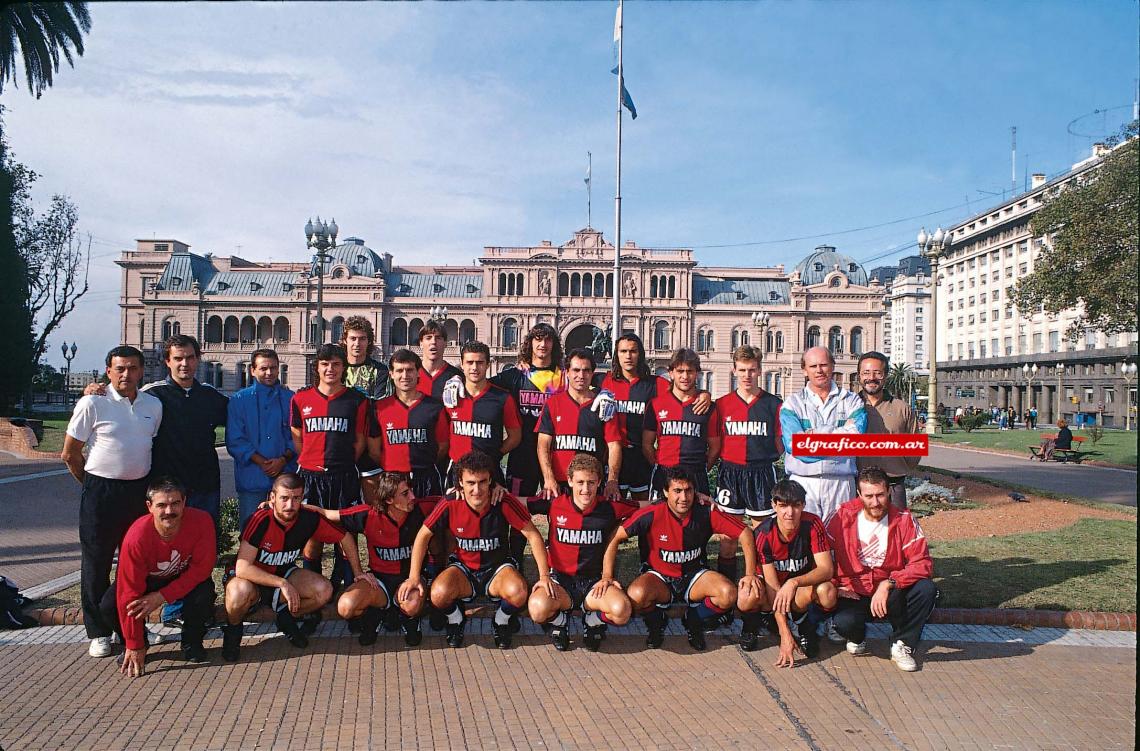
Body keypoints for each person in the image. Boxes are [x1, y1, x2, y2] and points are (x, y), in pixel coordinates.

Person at [63, 346, 163, 658]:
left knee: (134, 565)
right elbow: (70, 453)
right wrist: (91, 486)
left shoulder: (153, 405)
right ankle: (99, 632)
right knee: (97, 562)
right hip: (100, 491)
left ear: (142, 371)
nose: (126, 374)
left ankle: (131, 625)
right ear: (108, 371)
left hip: (137, 492)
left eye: (132, 368)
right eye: (119, 368)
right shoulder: (93, 402)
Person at [399, 451, 553, 649]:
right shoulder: (450, 502)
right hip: (464, 569)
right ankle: (456, 619)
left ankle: (501, 621)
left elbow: (533, 535)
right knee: (438, 594)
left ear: (491, 481)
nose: (477, 489)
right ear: (460, 483)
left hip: (497, 569)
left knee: (519, 591)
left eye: (482, 482)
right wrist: (413, 577)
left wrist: (544, 576)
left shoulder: (502, 501)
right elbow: (422, 535)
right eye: (471, 482)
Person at [598, 468, 759, 651]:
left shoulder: (705, 511)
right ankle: (657, 623)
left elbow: (745, 532)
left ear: (694, 491)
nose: (684, 497)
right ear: (666, 492)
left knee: (728, 593)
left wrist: (750, 574)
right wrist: (607, 576)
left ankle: (694, 619)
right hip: (659, 577)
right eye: (677, 491)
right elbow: (615, 536)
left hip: (693, 575)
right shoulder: (652, 512)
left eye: (688, 490)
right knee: (636, 595)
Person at [221, 472, 365, 661]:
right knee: (239, 591)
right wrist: (282, 584)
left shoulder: (307, 518)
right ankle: (233, 633)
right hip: (250, 579)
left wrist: (358, 574)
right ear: (272, 498)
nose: (290, 505)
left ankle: (285, 616)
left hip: (283, 572)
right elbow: (242, 568)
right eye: (284, 498)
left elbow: (344, 537)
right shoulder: (260, 519)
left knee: (324, 590)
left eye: (296, 498)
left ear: (302, 497)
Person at [307, 470, 440, 646]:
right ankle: (376, 613)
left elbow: (452, 500)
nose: (413, 497)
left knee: (412, 604)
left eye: (411, 490)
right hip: (379, 582)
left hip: (410, 579)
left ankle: (407, 619)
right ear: (389, 500)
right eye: (405, 494)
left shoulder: (422, 508)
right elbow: (326, 513)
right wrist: (283, 506)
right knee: (346, 607)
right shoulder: (368, 515)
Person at [100, 478, 216, 676]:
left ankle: (192, 641)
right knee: (109, 606)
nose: (169, 511)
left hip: (184, 574)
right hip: (148, 579)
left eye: (175, 503)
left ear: (184, 502)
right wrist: (134, 643)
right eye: (162, 505)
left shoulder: (202, 521)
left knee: (203, 594)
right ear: (149, 507)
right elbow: (128, 594)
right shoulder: (136, 537)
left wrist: (161, 596)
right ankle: (138, 643)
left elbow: (201, 569)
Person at [826, 468, 936, 672]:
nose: (875, 502)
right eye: (868, 496)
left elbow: (923, 563)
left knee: (926, 588)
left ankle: (902, 643)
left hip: (890, 593)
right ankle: (857, 638)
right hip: (854, 591)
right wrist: (835, 584)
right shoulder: (842, 516)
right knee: (844, 623)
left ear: (889, 492)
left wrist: (890, 583)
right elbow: (822, 554)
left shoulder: (903, 519)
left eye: (880, 495)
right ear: (859, 494)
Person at [526, 454, 638, 651]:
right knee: (537, 609)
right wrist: (495, 491)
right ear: (569, 481)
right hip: (560, 581)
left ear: (599, 483)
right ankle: (560, 622)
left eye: (591, 483)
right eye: (580, 482)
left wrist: (694, 498)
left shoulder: (610, 507)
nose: (585, 489)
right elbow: (515, 502)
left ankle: (592, 620)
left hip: (595, 583)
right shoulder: (554, 503)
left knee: (622, 611)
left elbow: (652, 506)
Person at [290, 343, 371, 587]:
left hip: (343, 475)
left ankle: (345, 579)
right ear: (316, 367)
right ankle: (313, 582)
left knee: (345, 533)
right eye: (325, 364)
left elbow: (359, 441)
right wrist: (312, 459)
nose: (330, 369)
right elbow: (297, 435)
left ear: (343, 367)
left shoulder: (357, 400)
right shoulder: (300, 398)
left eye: (336, 364)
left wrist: (342, 463)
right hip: (310, 477)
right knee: (311, 536)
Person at [595, 334, 712, 501]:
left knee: (644, 509)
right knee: (612, 507)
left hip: (642, 458)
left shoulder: (656, 383)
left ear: (640, 354)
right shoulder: (603, 381)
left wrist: (704, 394)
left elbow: (682, 388)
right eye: (623, 351)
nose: (628, 356)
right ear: (616, 354)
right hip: (613, 455)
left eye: (633, 351)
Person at [738, 479, 835, 665]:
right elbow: (773, 587)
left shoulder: (812, 524)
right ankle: (753, 624)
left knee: (827, 591)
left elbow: (826, 569)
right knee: (746, 595)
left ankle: (805, 623)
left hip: (797, 587)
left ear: (803, 505)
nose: (789, 513)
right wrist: (785, 635)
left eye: (796, 506)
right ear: (774, 506)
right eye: (783, 506)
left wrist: (794, 582)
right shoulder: (764, 533)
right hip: (771, 589)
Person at [142, 334, 230, 525]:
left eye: (190, 357)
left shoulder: (210, 396)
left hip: (205, 485)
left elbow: (243, 417)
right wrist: (96, 391)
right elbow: (120, 402)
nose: (184, 364)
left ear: (198, 359)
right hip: (167, 489)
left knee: (204, 539)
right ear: (167, 361)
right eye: (178, 358)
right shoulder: (152, 394)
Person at [713, 345, 782, 581]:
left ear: (760, 370)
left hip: (761, 473)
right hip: (730, 473)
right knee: (727, 539)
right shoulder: (721, 405)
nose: (747, 375)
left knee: (762, 537)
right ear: (733, 371)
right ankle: (728, 592)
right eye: (742, 370)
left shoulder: (773, 404)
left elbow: (780, 442)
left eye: (752, 370)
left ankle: (761, 592)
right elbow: (714, 441)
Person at [779, 346, 867, 524]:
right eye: (813, 366)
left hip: (840, 482)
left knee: (840, 540)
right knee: (804, 540)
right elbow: (795, 446)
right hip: (803, 482)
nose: (819, 370)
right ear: (804, 370)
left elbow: (855, 440)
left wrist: (815, 436)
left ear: (833, 366)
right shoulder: (792, 403)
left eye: (824, 364)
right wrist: (839, 434)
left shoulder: (852, 401)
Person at [490, 322, 566, 497]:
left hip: (555, 453)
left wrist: (605, 392)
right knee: (518, 507)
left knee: (558, 508)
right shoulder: (516, 375)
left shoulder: (565, 377)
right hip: (522, 454)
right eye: (538, 339)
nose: (543, 345)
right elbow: (482, 385)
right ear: (530, 342)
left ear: (553, 344)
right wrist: (455, 379)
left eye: (548, 340)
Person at [536, 348, 623, 501]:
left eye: (586, 370)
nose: (581, 376)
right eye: (576, 370)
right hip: (560, 484)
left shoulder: (604, 405)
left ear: (592, 373)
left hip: (591, 484)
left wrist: (612, 480)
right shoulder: (553, 403)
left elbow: (614, 446)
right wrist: (548, 478)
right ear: (567, 372)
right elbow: (543, 444)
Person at [226, 348, 297, 530]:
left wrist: (282, 460)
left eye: (273, 368)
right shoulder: (239, 400)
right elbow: (235, 440)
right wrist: (262, 462)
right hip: (252, 478)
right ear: (252, 370)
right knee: (252, 531)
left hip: (284, 476)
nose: (269, 373)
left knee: (285, 531)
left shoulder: (291, 399)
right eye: (264, 368)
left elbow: (297, 437)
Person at [642, 348, 722, 501]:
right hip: (664, 473)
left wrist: (701, 468)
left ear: (697, 373)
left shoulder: (708, 407)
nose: (685, 376)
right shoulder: (656, 404)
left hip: (696, 473)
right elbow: (647, 444)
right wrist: (660, 465)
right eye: (680, 371)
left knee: (698, 522)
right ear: (671, 373)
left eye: (690, 371)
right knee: (659, 520)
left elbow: (715, 447)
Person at [367, 348, 449, 498]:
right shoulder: (379, 408)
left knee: (429, 521)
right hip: (392, 481)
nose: (405, 376)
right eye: (399, 371)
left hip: (426, 480)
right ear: (391, 374)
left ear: (418, 372)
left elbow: (442, 447)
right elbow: (374, 450)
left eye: (410, 370)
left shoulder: (434, 407)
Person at [441, 341, 522, 488]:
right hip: (457, 471)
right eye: (470, 362)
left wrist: (496, 454)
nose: (474, 368)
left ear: (487, 364)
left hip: (489, 471)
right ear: (462, 364)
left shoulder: (502, 398)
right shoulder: (450, 395)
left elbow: (515, 436)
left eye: (479, 362)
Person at [855, 351, 919, 509]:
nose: (872, 378)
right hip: (857, 486)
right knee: (857, 532)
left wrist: (896, 466)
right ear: (859, 376)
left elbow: (914, 449)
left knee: (896, 531)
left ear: (886, 375)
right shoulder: (849, 406)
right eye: (866, 373)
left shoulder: (901, 408)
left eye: (878, 373)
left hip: (893, 485)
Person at [341, 315, 392, 400]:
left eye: (362, 339)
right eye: (353, 338)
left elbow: (379, 403)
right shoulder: (337, 368)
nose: (357, 344)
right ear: (345, 340)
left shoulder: (380, 370)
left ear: (369, 341)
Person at [416, 319, 463, 401]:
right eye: (428, 338)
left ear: (445, 343)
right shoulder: (411, 375)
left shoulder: (456, 376)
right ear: (421, 343)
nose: (433, 342)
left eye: (438, 338)